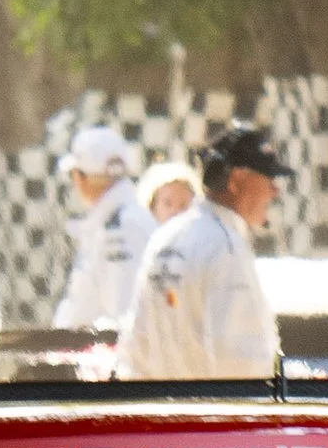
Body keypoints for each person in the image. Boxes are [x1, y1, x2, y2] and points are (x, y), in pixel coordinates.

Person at [117, 121, 283, 381]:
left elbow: (134, 349)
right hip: (211, 415)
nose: (275, 190)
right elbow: (240, 365)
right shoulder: (224, 246)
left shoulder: (166, 236)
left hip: (160, 413)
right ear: (237, 180)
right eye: (268, 178)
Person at [57, 123, 147, 330]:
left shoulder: (122, 226)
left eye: (76, 174)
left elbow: (121, 314)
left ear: (83, 177)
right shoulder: (114, 220)